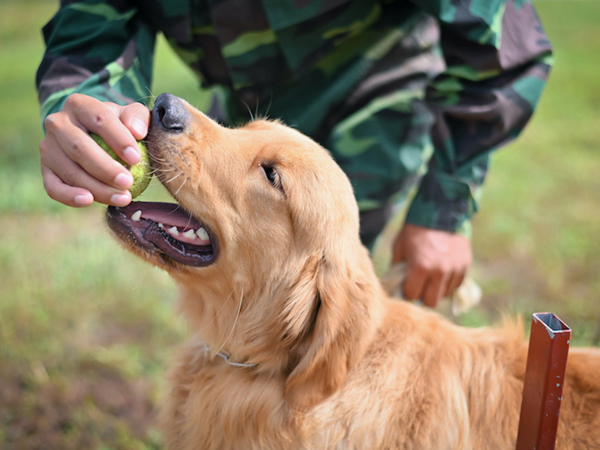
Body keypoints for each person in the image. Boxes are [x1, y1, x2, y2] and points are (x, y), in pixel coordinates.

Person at [36, 0, 553, 308]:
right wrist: (87, 112)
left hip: (375, 92)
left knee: (322, 308)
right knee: (238, 298)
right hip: (247, 112)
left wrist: (444, 211)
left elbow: (510, 52)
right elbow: (92, 30)